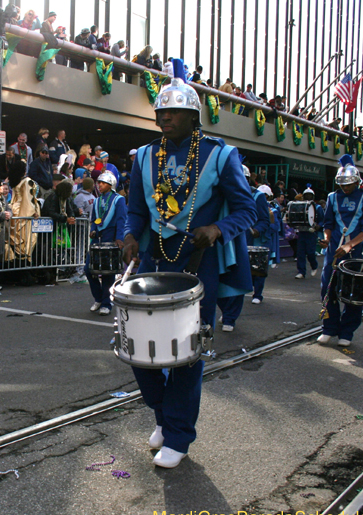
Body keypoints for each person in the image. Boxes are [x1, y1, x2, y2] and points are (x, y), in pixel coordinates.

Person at [121, 77, 256, 468]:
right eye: (161, 111)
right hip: (152, 261)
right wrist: (129, 233)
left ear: (193, 115)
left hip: (198, 264)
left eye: (174, 111)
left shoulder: (220, 154)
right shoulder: (144, 156)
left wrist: (218, 229)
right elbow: (136, 208)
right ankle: (164, 417)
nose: (165, 117)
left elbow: (248, 210)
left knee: (185, 353)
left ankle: (179, 435)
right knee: (139, 348)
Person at [317, 154, 363, 348]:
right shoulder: (332, 197)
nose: (345, 188)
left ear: (357, 181)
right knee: (328, 288)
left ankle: (347, 331)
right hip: (334, 250)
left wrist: (349, 245)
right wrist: (327, 239)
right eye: (342, 184)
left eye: (349, 184)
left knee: (354, 292)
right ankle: (329, 328)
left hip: (356, 251)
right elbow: (328, 222)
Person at [216, 168, 271, 332]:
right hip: (221, 242)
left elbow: (264, 220)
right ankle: (227, 311)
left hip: (243, 244)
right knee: (218, 280)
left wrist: (255, 231)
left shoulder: (257, 196)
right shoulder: (220, 193)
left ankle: (230, 317)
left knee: (238, 280)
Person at [84, 171, 126, 315]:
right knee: (88, 270)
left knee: (108, 273)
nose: (99, 185)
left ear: (110, 184)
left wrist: (120, 238)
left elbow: (121, 220)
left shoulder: (118, 200)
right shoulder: (97, 200)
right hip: (97, 239)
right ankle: (99, 298)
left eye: (102, 183)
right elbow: (94, 219)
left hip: (111, 237)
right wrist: (93, 229)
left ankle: (106, 303)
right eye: (98, 183)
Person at [294, 186, 324, 279]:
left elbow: (322, 220)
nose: (307, 197)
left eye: (309, 195)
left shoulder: (318, 207)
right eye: (306, 195)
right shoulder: (300, 206)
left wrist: (318, 226)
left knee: (311, 252)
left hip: (311, 232)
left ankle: (314, 266)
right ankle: (301, 271)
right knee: (300, 253)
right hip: (302, 231)